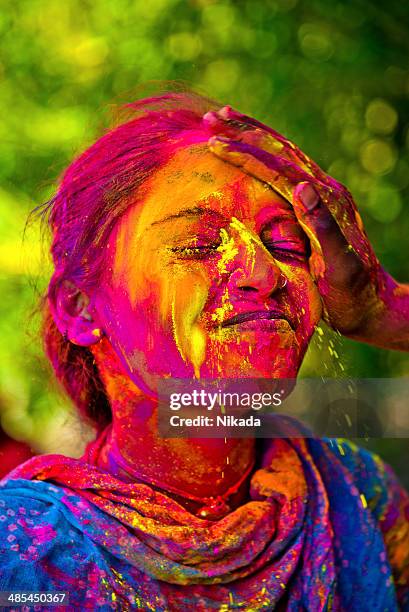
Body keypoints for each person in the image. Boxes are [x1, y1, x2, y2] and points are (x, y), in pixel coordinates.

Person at [0, 91, 408, 611]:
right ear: (81, 309)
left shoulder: (359, 496)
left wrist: (387, 314)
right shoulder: (25, 558)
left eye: (286, 246)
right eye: (197, 244)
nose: (265, 275)